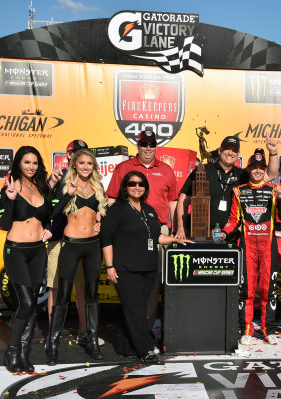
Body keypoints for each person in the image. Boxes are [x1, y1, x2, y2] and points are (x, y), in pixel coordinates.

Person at [102, 171, 192, 363]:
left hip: (148, 270)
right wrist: (109, 266)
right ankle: (145, 349)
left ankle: (126, 346)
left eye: (141, 184)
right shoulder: (116, 209)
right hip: (126, 270)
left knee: (135, 309)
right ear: (125, 187)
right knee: (135, 310)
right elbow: (106, 239)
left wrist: (174, 239)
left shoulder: (149, 210)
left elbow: (156, 237)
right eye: (132, 183)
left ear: (145, 187)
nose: (137, 187)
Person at [106, 129, 178, 334]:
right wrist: (111, 227)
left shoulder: (166, 170)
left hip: (159, 230)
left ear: (156, 146)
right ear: (137, 145)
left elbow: (173, 202)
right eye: (144, 144)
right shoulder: (124, 168)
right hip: (128, 231)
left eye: (151, 144)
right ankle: (132, 329)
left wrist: (178, 229)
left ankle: (146, 329)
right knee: (130, 281)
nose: (148, 148)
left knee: (154, 281)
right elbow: (111, 199)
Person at [46, 149, 108, 365]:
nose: (85, 167)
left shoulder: (98, 187)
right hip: (70, 245)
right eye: (81, 163)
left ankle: (91, 340)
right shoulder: (67, 185)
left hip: (92, 246)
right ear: (74, 165)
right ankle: (53, 344)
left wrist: (102, 219)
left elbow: (105, 213)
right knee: (63, 295)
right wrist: (68, 194)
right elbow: (52, 215)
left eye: (89, 164)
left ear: (94, 167)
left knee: (91, 296)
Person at [221, 154, 281, 345]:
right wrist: (224, 233)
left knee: (269, 289)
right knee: (247, 290)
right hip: (247, 244)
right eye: (254, 167)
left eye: (261, 167)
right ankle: (247, 328)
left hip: (268, 245)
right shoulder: (238, 191)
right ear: (248, 169)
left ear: (265, 170)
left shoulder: (274, 190)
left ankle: (268, 329)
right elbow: (234, 220)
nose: (258, 170)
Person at [0, 146, 52, 373]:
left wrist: (49, 228)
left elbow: (48, 215)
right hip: (16, 251)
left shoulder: (41, 187)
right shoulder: (10, 187)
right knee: (27, 303)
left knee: (33, 305)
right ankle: (11, 351)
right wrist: (10, 199)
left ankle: (22, 352)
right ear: (18, 163)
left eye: (35, 163)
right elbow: (4, 224)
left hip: (38, 250)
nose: (31, 167)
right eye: (27, 162)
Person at [175, 136, 279, 239]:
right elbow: (183, 200)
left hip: (229, 235)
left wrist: (273, 152)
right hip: (200, 234)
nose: (230, 152)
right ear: (220, 150)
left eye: (234, 150)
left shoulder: (242, 175)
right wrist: (181, 227)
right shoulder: (201, 170)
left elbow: (271, 175)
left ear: (238, 154)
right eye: (227, 149)